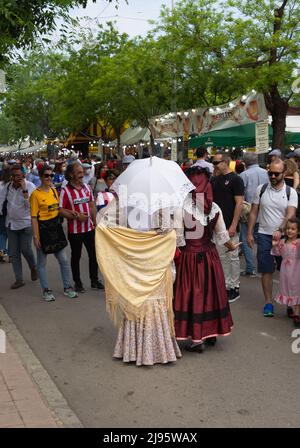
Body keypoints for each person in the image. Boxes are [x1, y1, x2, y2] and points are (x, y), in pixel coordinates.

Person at [96, 197, 182, 366]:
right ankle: (157, 350)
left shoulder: (126, 198)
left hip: (139, 259)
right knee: (147, 302)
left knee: (138, 300)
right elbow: (177, 236)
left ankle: (135, 350)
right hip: (153, 258)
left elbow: (102, 221)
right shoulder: (159, 199)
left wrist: (127, 238)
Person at [174, 167, 241, 352]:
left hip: (189, 257)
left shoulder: (182, 206)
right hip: (210, 256)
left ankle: (197, 340)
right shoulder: (214, 207)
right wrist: (233, 247)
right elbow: (223, 236)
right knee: (210, 294)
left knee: (192, 294)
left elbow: (178, 239)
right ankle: (210, 334)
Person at [247, 159, 298, 317]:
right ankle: (268, 302)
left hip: (285, 239)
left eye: (277, 173)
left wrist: (281, 229)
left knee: (290, 272)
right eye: (271, 173)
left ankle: (291, 302)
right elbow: (254, 212)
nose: (273, 176)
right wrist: (249, 232)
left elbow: (291, 214)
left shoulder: (290, 192)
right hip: (264, 235)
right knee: (266, 270)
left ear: (284, 173)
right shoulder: (261, 189)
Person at [30, 165, 78, 302]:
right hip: (43, 230)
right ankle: (46, 290)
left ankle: (68, 287)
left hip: (55, 228)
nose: (49, 178)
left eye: (51, 175)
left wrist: (71, 214)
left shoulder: (53, 191)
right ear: (40, 177)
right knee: (41, 263)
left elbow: (59, 210)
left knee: (63, 260)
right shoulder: (35, 195)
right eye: (46, 175)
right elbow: (33, 217)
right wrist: (35, 236)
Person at [59, 162, 104, 293]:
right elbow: (60, 210)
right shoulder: (66, 191)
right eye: (78, 173)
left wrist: (96, 223)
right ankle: (77, 282)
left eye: (82, 172)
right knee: (76, 256)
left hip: (89, 228)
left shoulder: (87, 187)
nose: (82, 174)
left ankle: (94, 280)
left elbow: (91, 206)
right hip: (75, 231)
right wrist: (76, 216)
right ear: (71, 175)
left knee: (93, 255)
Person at [211, 152, 244, 303]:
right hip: (218, 225)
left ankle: (234, 287)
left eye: (216, 162)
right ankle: (225, 285)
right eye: (213, 163)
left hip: (230, 223)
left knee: (232, 256)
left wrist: (234, 224)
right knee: (222, 256)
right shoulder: (215, 179)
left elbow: (239, 203)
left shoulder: (236, 179)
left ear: (225, 162)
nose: (214, 165)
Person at [0, 164, 37, 289]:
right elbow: (1, 199)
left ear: (23, 175)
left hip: (26, 224)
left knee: (26, 249)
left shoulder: (31, 186)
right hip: (10, 224)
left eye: (18, 176)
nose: (15, 178)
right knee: (14, 254)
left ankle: (33, 267)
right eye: (13, 175)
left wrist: (24, 190)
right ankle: (19, 279)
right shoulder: (8, 186)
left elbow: (30, 207)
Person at [239, 152, 269, 277]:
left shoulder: (243, 175)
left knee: (247, 239)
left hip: (248, 211)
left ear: (245, 162)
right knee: (263, 239)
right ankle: (265, 265)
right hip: (265, 210)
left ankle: (250, 268)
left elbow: (240, 195)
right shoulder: (266, 173)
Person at [271, 218, 300, 327]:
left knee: (297, 289)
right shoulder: (282, 242)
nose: (290, 231)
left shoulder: (298, 243)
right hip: (285, 270)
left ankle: (297, 314)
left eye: (293, 229)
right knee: (287, 288)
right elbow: (277, 253)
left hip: (297, 270)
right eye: (288, 228)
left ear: (298, 231)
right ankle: (289, 306)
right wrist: (274, 245)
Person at [0, 167, 11, 262]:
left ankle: (2, 251)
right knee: (11, 234)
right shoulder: (12, 185)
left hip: (1, 213)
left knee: (2, 233)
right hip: (11, 213)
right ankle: (11, 254)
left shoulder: (0, 184)